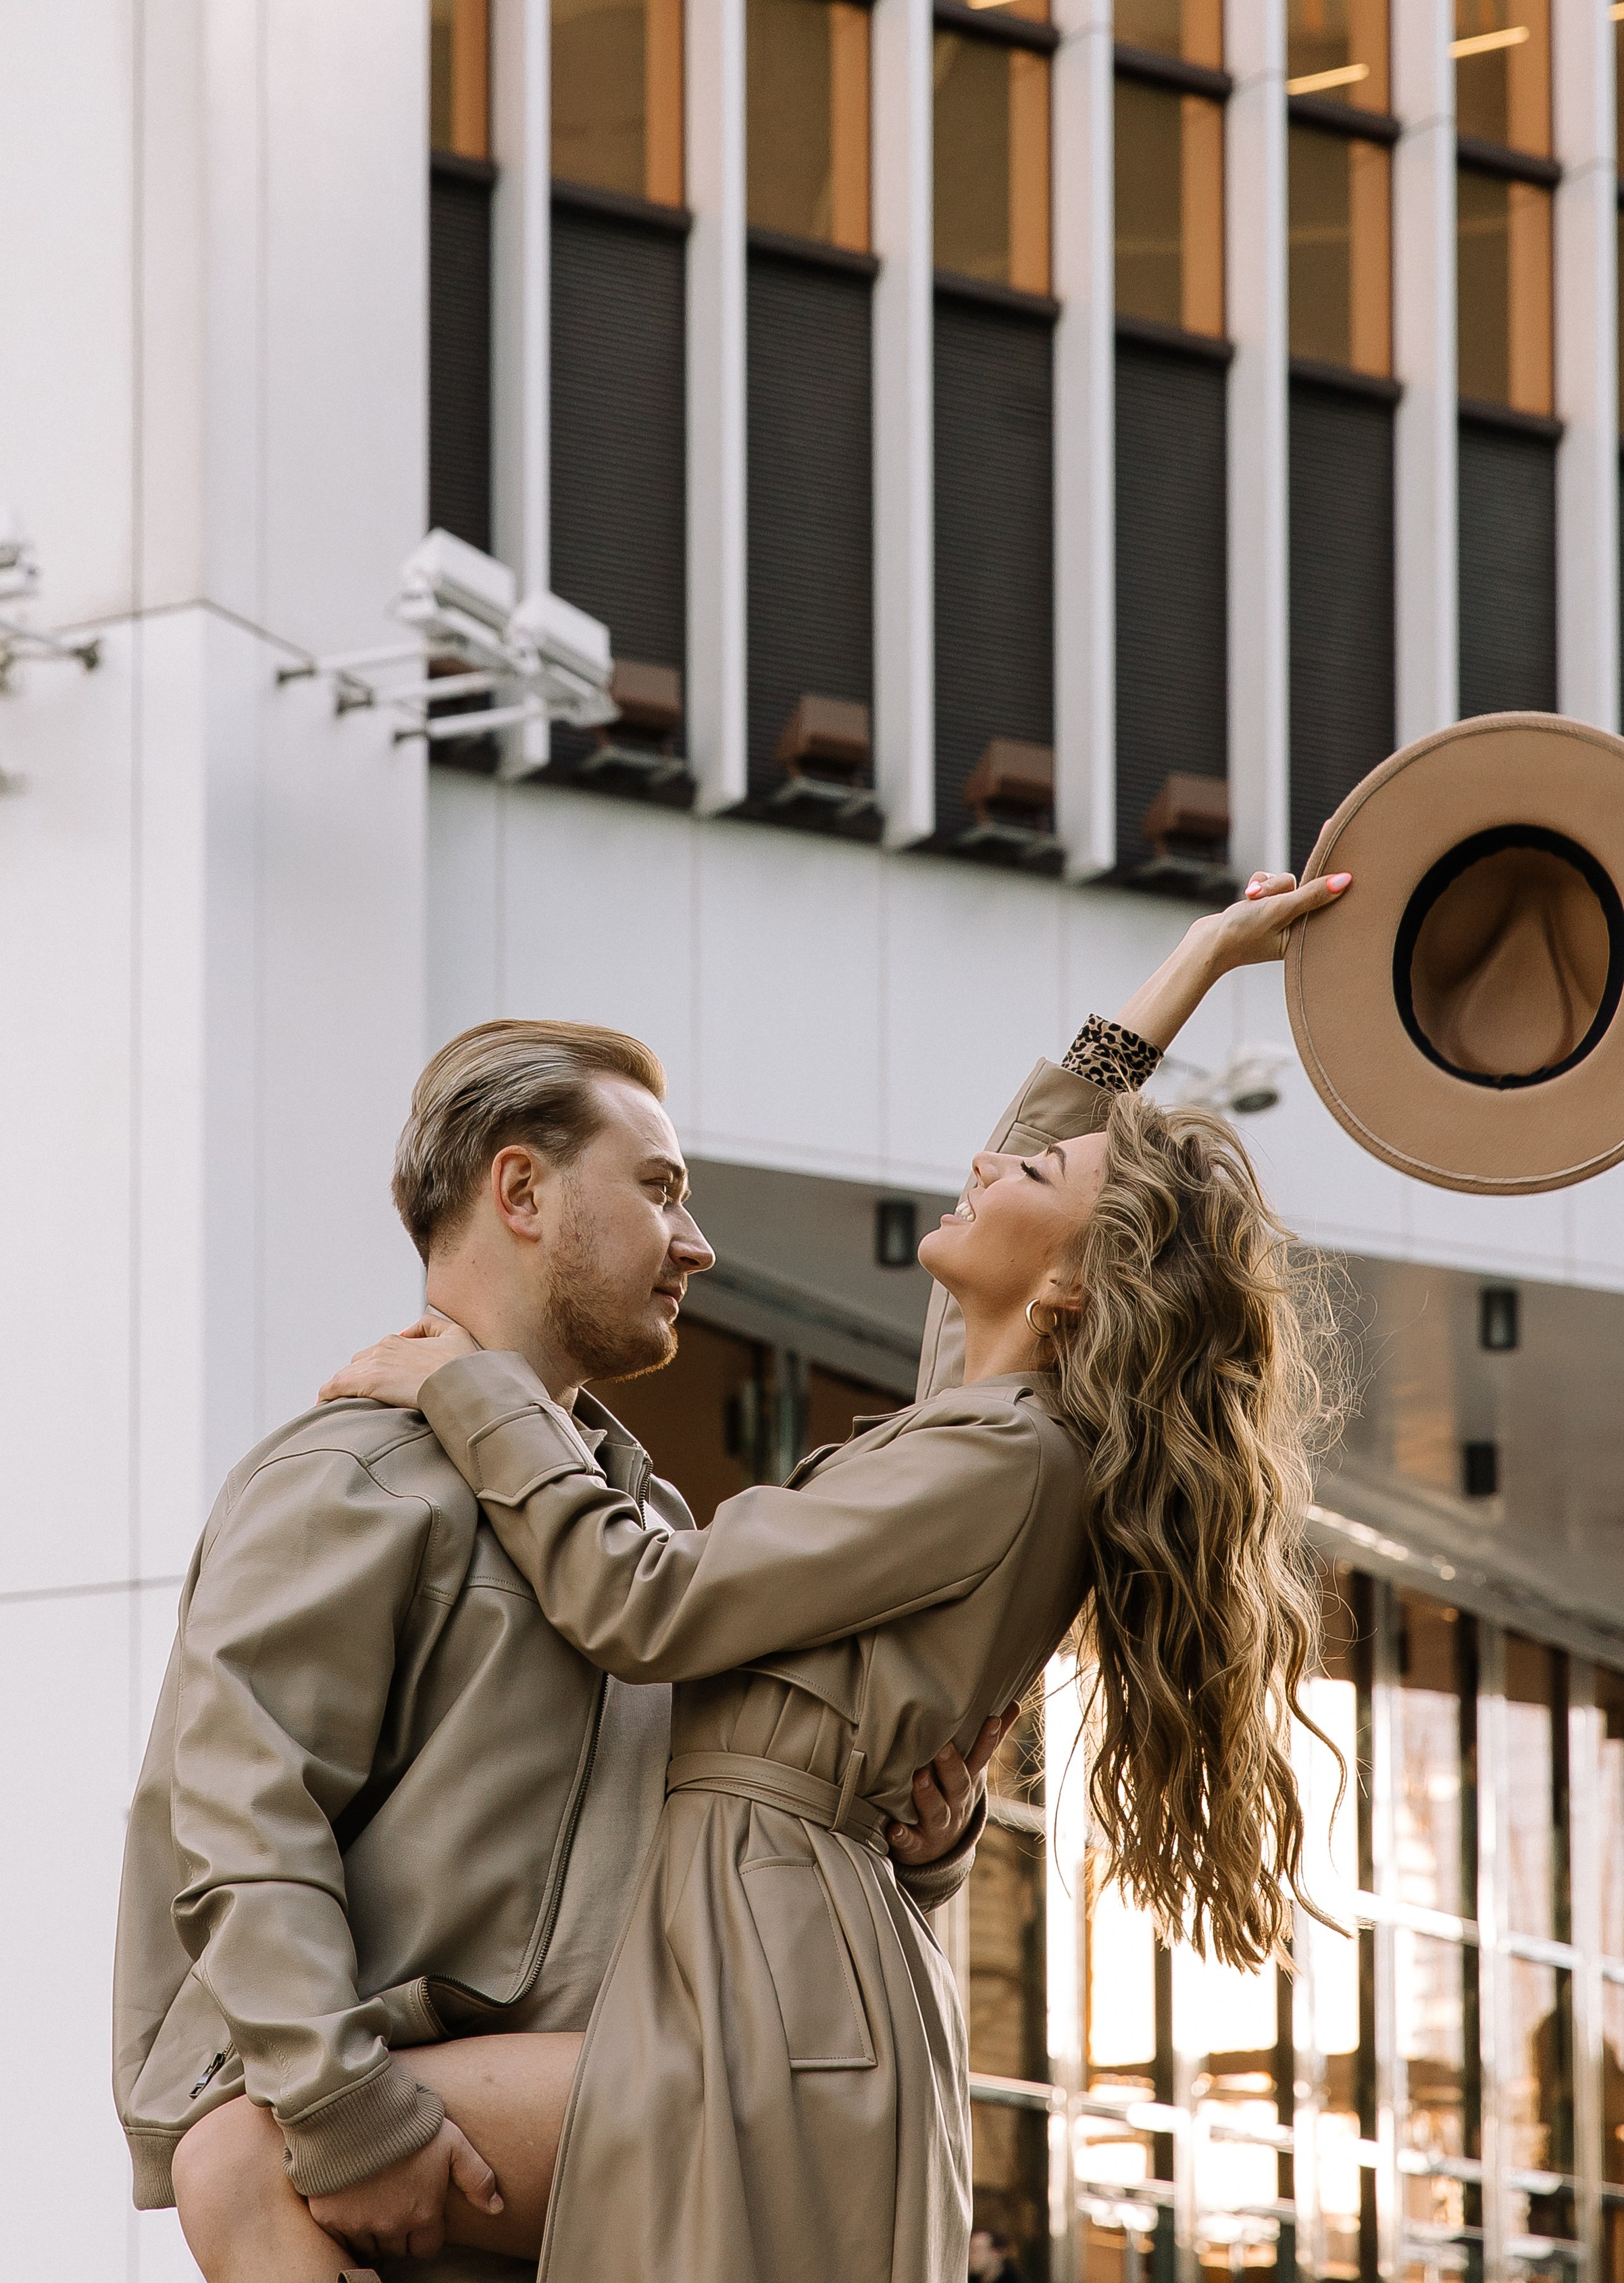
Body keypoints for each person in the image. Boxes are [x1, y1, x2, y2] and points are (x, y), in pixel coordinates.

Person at [173, 863, 1350, 2280]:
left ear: (1065, 1291)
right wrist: (1194, 967)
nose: (985, 1164)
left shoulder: (1005, 1460)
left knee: (245, 2157)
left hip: (770, 2008)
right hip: (769, 1980)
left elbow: (646, 1603)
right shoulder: (984, 1422)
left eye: (1024, 1178)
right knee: (256, 2153)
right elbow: (1047, 1159)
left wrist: (474, 1388)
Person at [116, 1022, 995, 2283]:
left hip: (600, 2160)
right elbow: (242, 1824)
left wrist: (928, 1838)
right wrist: (348, 2112)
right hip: (411, 2178)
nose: (696, 1245)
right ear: (521, 1190)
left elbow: (757, 1827)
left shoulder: (655, 1536)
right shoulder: (351, 1479)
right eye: (660, 1190)